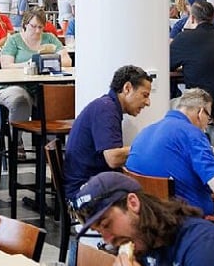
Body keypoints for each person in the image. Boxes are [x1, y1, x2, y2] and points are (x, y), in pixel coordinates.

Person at [124, 89, 214, 266]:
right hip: (194, 225)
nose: (207, 125)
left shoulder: (146, 132)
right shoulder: (192, 134)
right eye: (209, 118)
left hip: (151, 225)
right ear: (201, 112)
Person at [71, 171, 214, 266]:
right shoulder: (143, 243)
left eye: (106, 224)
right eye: (100, 232)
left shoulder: (203, 245)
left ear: (133, 203)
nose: (108, 239)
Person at [63, 65, 154, 197]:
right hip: (83, 192)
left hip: (90, 184)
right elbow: (113, 158)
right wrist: (146, 148)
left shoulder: (106, 106)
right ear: (127, 88)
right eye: (144, 95)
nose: (148, 102)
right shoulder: (106, 109)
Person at [0, 7, 70, 127]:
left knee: (55, 98)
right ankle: (16, 136)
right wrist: (29, 64)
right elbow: (6, 66)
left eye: (40, 27)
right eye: (33, 26)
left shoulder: (50, 38)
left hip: (43, 85)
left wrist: (47, 62)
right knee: (20, 100)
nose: (37, 31)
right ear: (25, 24)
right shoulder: (14, 40)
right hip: (14, 84)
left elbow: (67, 61)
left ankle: (49, 136)